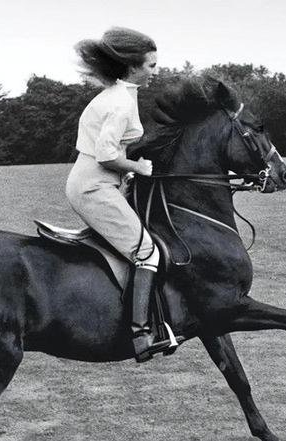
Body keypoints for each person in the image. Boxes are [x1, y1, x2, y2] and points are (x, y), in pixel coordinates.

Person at [66, 27, 165, 362]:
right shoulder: (120, 101)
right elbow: (107, 154)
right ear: (132, 66)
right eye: (151, 65)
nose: (155, 71)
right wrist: (139, 168)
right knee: (147, 252)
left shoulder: (120, 92)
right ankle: (140, 335)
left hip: (99, 183)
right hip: (93, 187)